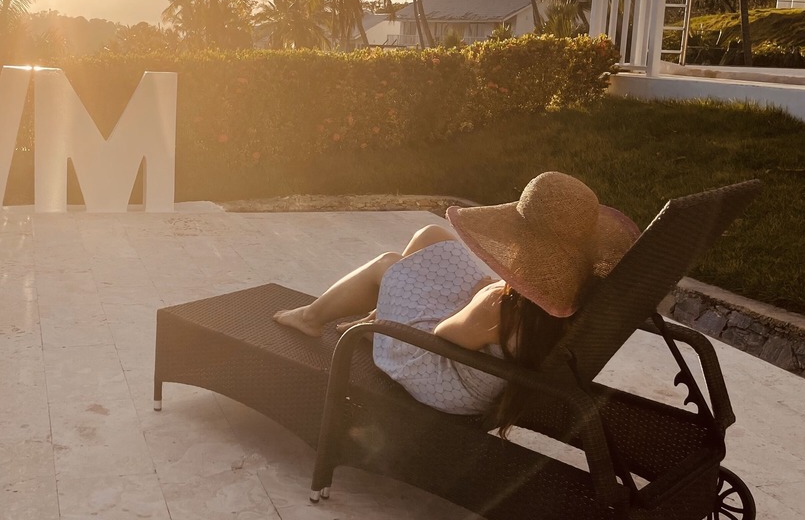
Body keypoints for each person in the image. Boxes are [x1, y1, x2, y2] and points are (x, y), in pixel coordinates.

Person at [274, 171, 641, 428]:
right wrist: (486, 293)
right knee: (431, 236)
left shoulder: (499, 306)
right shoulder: (571, 296)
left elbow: (445, 334)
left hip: (448, 377)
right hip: (492, 361)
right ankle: (377, 317)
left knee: (388, 265)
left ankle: (311, 318)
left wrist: (480, 295)